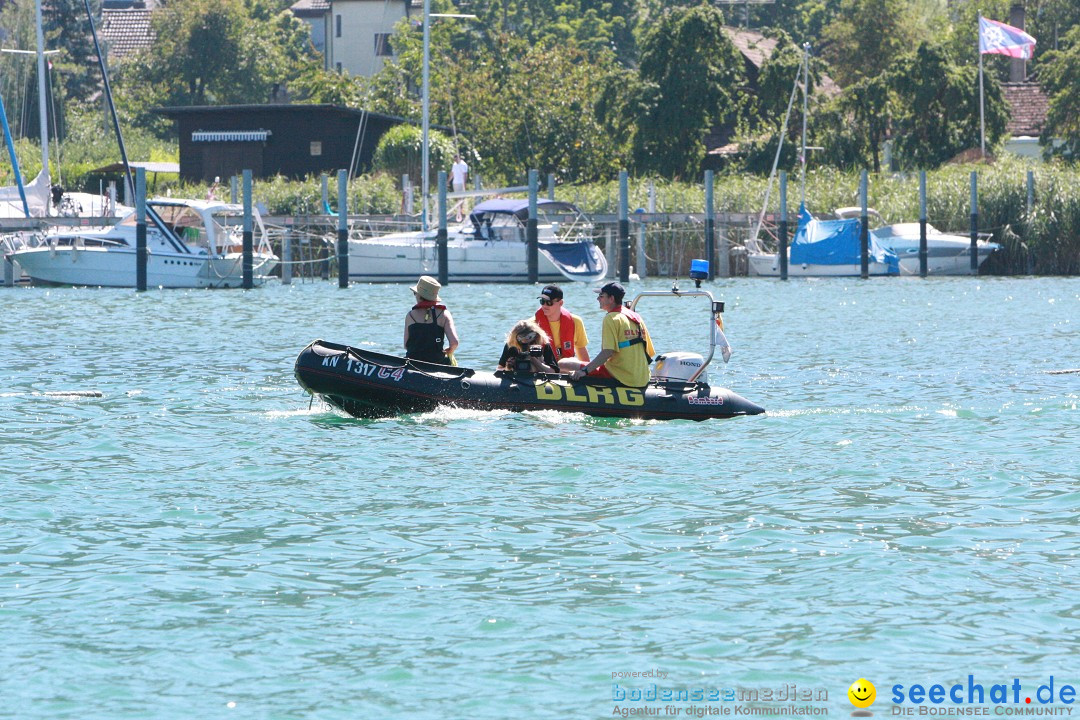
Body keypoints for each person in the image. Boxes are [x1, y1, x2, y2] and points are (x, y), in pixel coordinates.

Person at [569, 281, 655, 387]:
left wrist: (584, 371)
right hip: (643, 378)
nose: (598, 299)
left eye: (601, 296)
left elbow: (607, 352)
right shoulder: (636, 317)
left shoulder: (611, 318)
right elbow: (649, 352)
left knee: (564, 363)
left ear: (611, 298)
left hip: (622, 376)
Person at [404, 275, 459, 365]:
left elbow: (406, 345)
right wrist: (449, 350)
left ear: (419, 295)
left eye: (415, 293)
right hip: (437, 363)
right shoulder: (444, 314)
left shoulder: (410, 315)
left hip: (413, 363)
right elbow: (454, 342)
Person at [534, 284, 590, 372]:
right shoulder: (532, 324)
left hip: (566, 367)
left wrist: (587, 373)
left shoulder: (576, 321)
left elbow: (581, 350)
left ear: (561, 303)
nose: (545, 305)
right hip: (543, 368)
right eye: (542, 301)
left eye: (549, 302)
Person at [450, 154, 469, 221]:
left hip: (461, 183)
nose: (455, 160)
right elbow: (452, 173)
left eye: (456, 159)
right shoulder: (454, 164)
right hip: (455, 183)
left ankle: (461, 212)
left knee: (461, 198)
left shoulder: (463, 164)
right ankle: (459, 212)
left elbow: (465, 175)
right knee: (458, 198)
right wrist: (448, 181)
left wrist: (464, 184)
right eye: (454, 159)